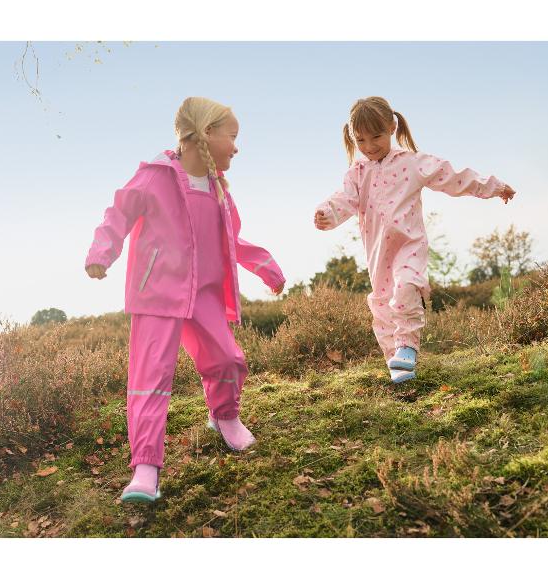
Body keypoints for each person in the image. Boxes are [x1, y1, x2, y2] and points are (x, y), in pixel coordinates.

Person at [85, 97, 285, 502]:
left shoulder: (218, 191)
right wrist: (101, 253)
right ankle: (145, 470)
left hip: (205, 295)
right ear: (206, 134)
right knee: (150, 380)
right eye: (232, 136)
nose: (236, 146)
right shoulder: (154, 177)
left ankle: (224, 416)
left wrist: (264, 264)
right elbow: (117, 216)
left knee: (228, 360)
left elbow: (231, 239)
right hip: (157, 294)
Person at [314, 97, 515, 383]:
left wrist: (493, 187)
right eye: (361, 140)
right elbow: (344, 199)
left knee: (407, 285)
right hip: (377, 251)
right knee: (383, 303)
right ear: (351, 137)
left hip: (410, 245)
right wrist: (327, 213)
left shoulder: (412, 163)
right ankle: (396, 365)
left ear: (392, 127)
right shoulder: (357, 174)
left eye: (377, 136)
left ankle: (407, 346)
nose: (370, 146)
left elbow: (453, 177)